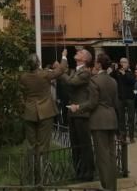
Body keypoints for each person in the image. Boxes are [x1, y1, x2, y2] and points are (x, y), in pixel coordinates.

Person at [20, 49, 68, 185]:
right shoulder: (45, 75)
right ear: (38, 63)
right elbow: (62, 69)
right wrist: (63, 56)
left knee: (30, 146)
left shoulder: (23, 77)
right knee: (43, 146)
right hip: (46, 112)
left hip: (29, 112)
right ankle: (43, 178)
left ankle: (29, 178)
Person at [59, 48, 97, 183]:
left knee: (84, 145)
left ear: (85, 59)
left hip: (81, 113)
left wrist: (59, 69)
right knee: (75, 145)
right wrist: (63, 63)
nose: (78, 52)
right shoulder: (76, 71)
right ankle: (78, 171)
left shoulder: (85, 72)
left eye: (81, 52)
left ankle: (88, 173)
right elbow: (68, 83)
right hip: (72, 112)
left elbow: (70, 83)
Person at [90, 52, 120, 191]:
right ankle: (113, 185)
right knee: (111, 155)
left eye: (96, 61)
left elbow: (92, 103)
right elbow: (115, 102)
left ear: (99, 64)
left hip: (99, 120)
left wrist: (78, 107)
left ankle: (107, 186)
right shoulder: (113, 81)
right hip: (111, 118)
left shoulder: (95, 80)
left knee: (102, 156)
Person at [111, 56, 137, 144]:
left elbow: (132, 81)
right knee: (121, 118)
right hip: (120, 98)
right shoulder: (117, 72)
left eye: (124, 62)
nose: (122, 64)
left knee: (131, 118)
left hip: (130, 98)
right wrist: (113, 69)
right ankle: (123, 136)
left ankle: (132, 136)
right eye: (121, 62)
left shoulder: (130, 73)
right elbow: (110, 77)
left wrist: (124, 74)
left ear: (128, 64)